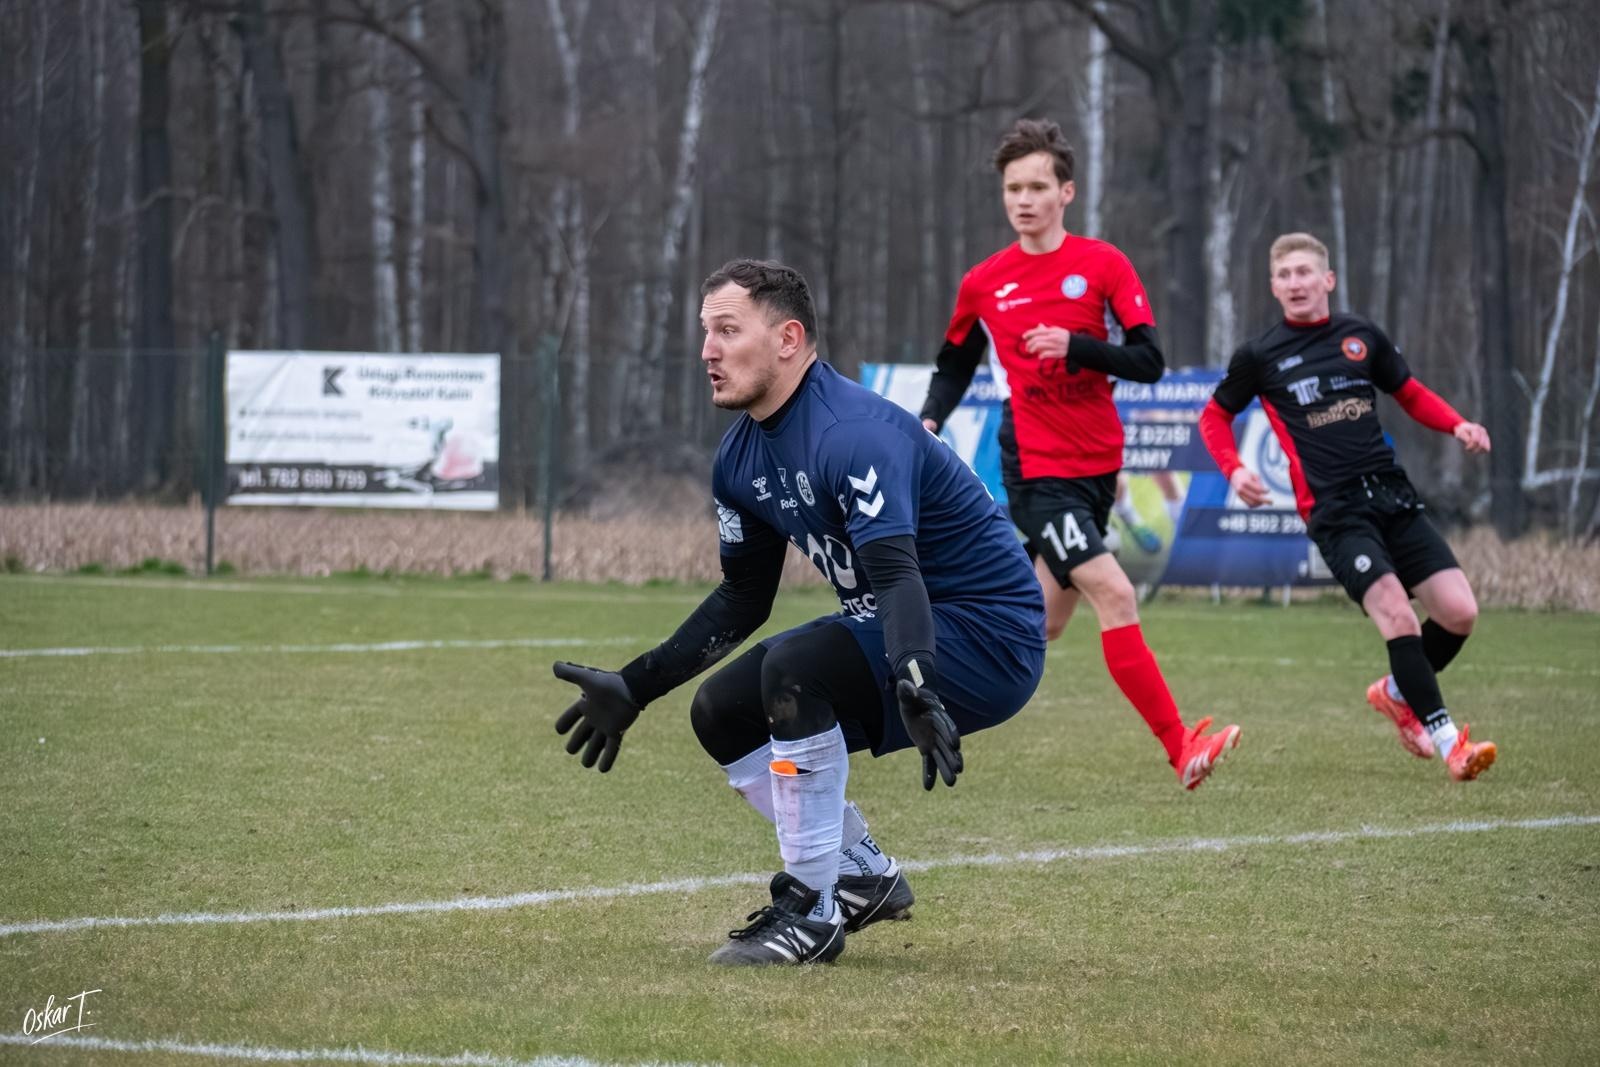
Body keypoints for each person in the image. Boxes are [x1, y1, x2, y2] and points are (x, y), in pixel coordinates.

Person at [551, 259, 1047, 966]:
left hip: (989, 635)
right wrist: (638, 684)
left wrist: (915, 675)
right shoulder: (739, 456)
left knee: (794, 669)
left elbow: (899, 575)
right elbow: (743, 597)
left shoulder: (851, 430)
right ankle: (863, 872)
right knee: (720, 709)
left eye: (727, 330)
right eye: (704, 332)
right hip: (912, 628)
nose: (708, 352)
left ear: (788, 338)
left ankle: (812, 908)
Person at [918, 117, 1239, 790]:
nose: (1023, 199)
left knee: (1040, 623)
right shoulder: (986, 282)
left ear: (1066, 192)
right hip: (1037, 468)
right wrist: (928, 419)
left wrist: (1077, 347)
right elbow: (954, 363)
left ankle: (917, 683)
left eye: (1037, 186)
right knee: (1115, 593)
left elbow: (1150, 360)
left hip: (1097, 467)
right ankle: (1180, 746)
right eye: (1013, 188)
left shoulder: (1103, 265)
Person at [1197, 232, 1496, 781]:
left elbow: (1409, 393)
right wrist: (1235, 470)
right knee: (1396, 613)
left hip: (1390, 493)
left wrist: (1458, 424)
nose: (1295, 283)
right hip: (1334, 511)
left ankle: (1398, 692)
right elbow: (1213, 417)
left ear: (1327, 280)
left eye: (1305, 272)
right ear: (1273, 286)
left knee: (1459, 612)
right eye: (1284, 275)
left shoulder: (1361, 338)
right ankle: (1451, 743)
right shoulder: (1259, 356)